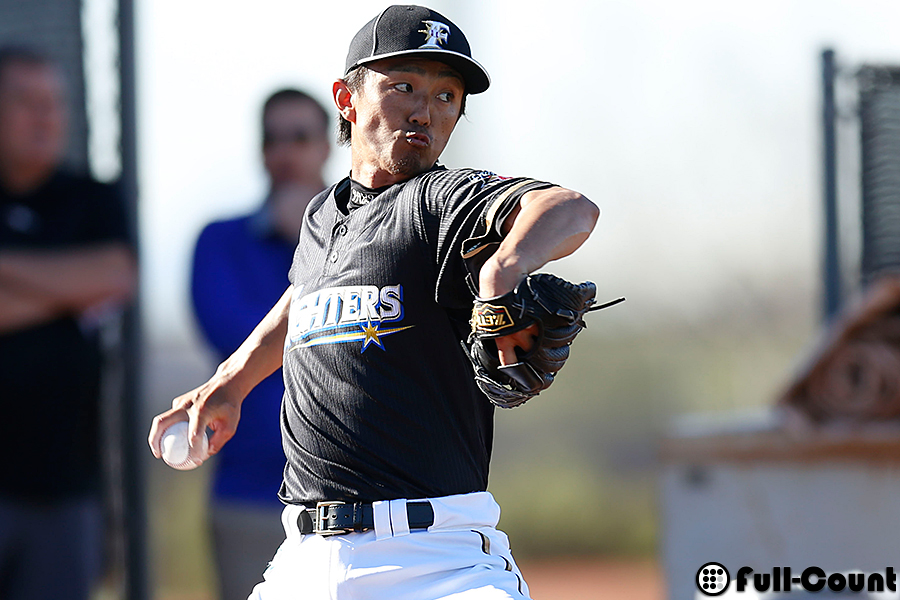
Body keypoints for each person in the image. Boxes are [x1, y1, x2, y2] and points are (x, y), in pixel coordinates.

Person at [149, 6, 598, 599]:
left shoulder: (440, 200)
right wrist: (231, 381)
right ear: (346, 97)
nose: (424, 109)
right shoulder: (320, 215)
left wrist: (502, 270)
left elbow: (570, 209)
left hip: (439, 562)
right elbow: (304, 295)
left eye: (446, 95)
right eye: (403, 86)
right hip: (303, 563)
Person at [0, 46, 137, 600]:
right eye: (25, 102)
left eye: (53, 103)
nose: (45, 117)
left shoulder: (92, 200)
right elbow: (93, 280)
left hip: (65, 489)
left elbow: (116, 276)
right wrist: (67, 289)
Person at [191, 88, 330, 600]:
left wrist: (315, 238)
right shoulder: (219, 240)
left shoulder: (375, 239)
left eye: (300, 137)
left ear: (329, 145)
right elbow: (239, 338)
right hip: (250, 493)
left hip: (357, 492)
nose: (286, 153)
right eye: (273, 140)